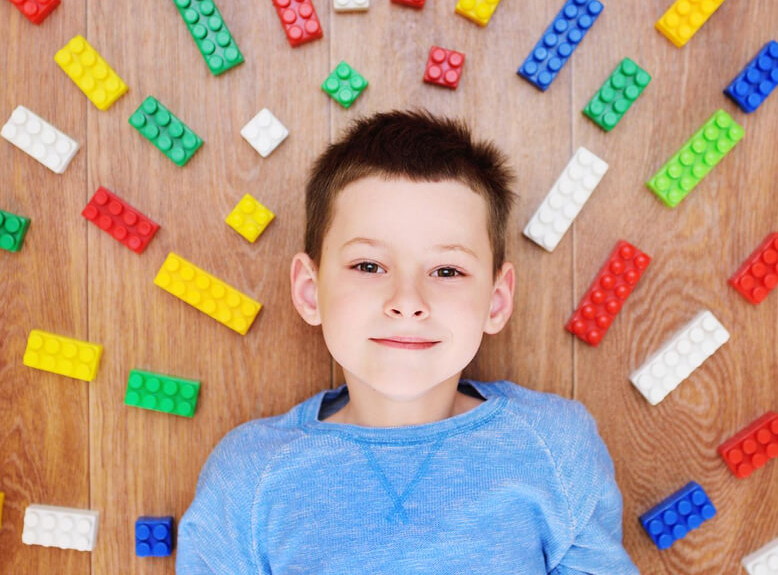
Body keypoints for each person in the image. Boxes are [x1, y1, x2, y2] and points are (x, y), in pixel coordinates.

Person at [177, 109, 640, 574]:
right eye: (369, 266)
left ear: (496, 302)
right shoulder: (247, 477)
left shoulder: (556, 446)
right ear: (309, 291)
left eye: (447, 271)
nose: (407, 301)